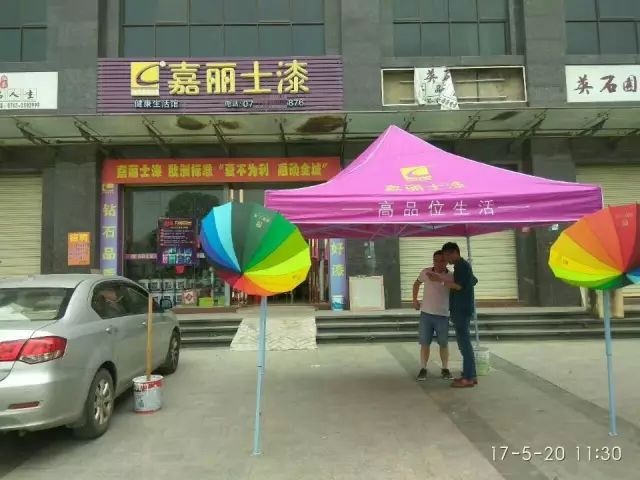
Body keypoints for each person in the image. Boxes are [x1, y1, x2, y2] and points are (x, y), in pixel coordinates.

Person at [438, 242, 478, 388]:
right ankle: (470, 374)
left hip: (461, 309)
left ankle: (468, 378)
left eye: (447, 256)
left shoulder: (461, 266)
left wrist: (441, 281)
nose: (446, 260)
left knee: (464, 344)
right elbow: (474, 280)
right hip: (462, 308)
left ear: (454, 252)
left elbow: (459, 286)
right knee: (464, 343)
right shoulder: (462, 266)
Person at [412, 250, 453, 381]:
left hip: (443, 315)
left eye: (442, 261)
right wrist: (415, 299)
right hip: (426, 314)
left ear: (446, 262)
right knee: (425, 343)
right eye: (436, 260)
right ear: (433, 261)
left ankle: (445, 368)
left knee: (443, 343)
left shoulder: (451, 276)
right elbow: (416, 283)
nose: (439, 263)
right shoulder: (426, 272)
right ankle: (423, 368)